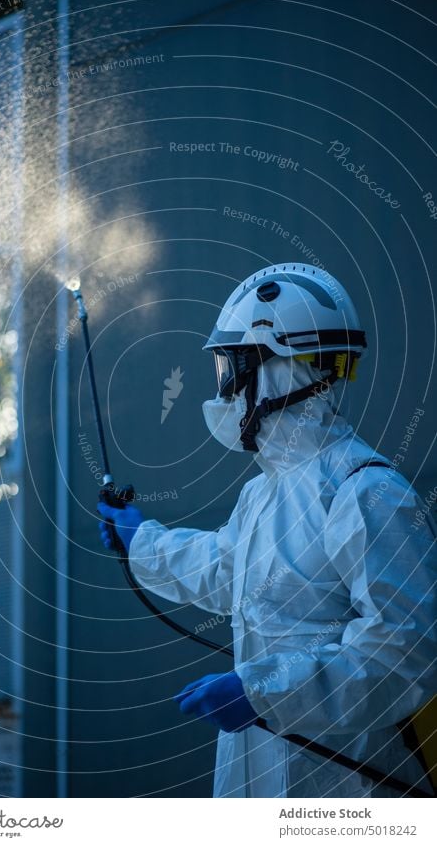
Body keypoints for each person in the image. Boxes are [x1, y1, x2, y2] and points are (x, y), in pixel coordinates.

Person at [97, 263, 436, 798]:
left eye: (233, 367)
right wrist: (143, 542)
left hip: (350, 788)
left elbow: (404, 646)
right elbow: (225, 568)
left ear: (277, 370)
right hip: (257, 774)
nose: (226, 389)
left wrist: (263, 693)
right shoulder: (267, 493)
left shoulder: (365, 491)